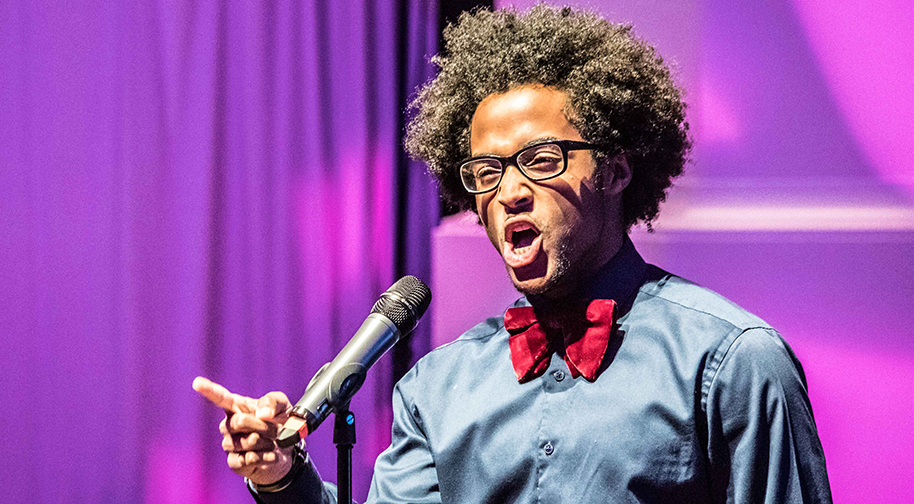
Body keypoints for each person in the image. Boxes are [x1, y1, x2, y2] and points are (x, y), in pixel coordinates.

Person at [194, 5, 833, 503]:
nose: (510, 191)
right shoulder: (438, 387)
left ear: (614, 172)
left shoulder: (733, 364)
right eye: (487, 171)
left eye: (541, 160)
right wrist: (282, 476)